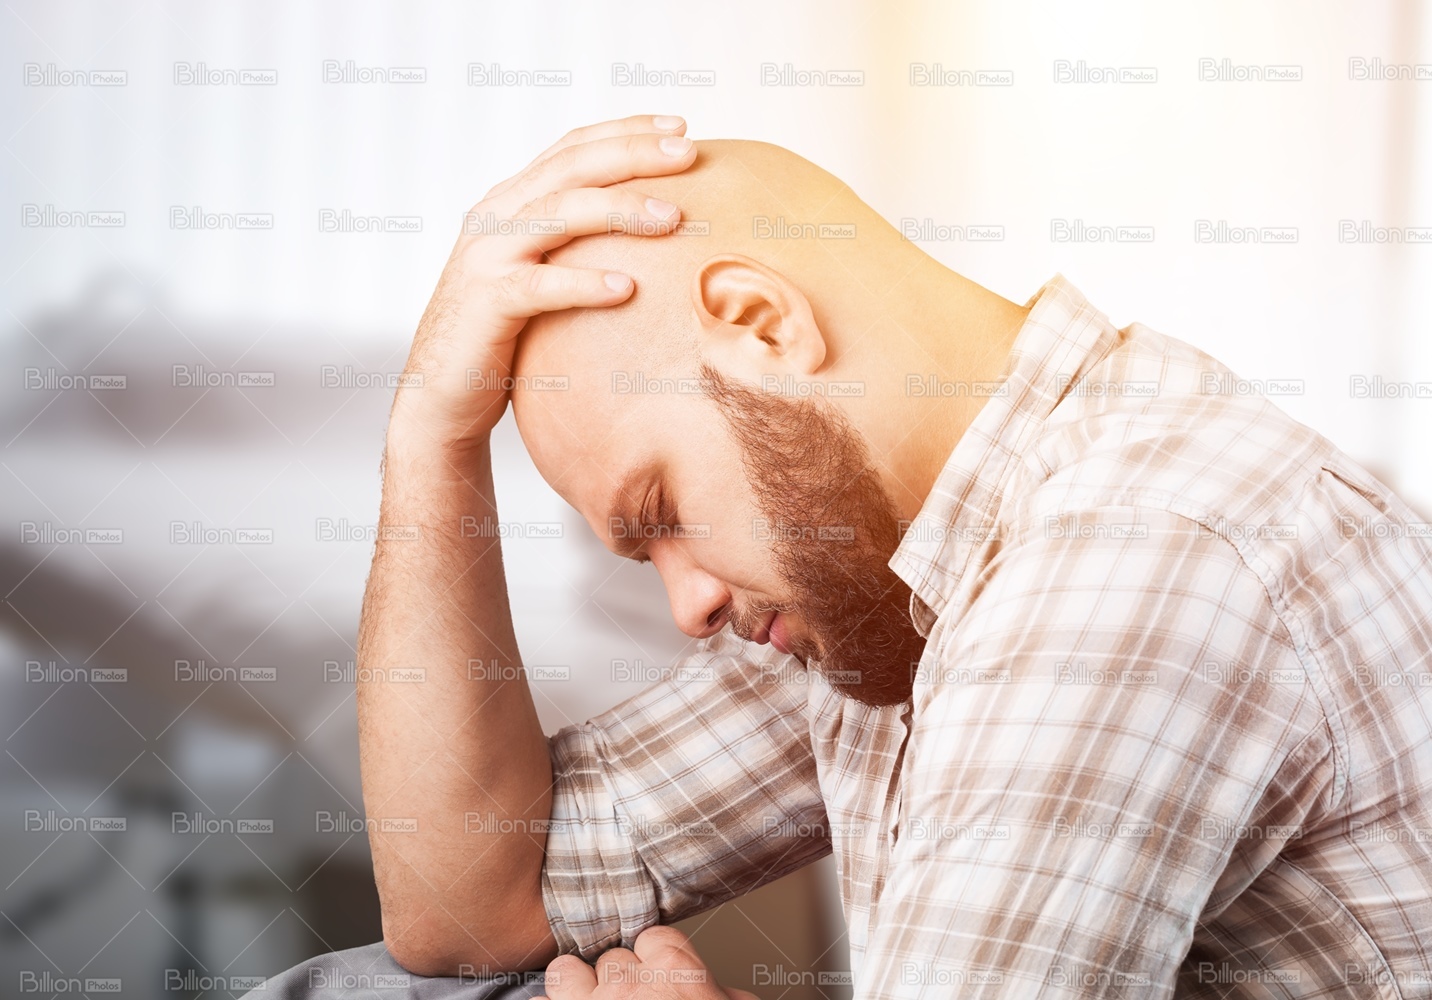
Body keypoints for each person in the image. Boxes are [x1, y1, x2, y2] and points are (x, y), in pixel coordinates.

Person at [249, 116, 1432, 999]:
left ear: (763, 326)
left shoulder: (1133, 555)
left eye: (661, 510)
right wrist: (429, 436)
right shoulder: (891, 569)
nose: (687, 605)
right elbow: (465, 913)